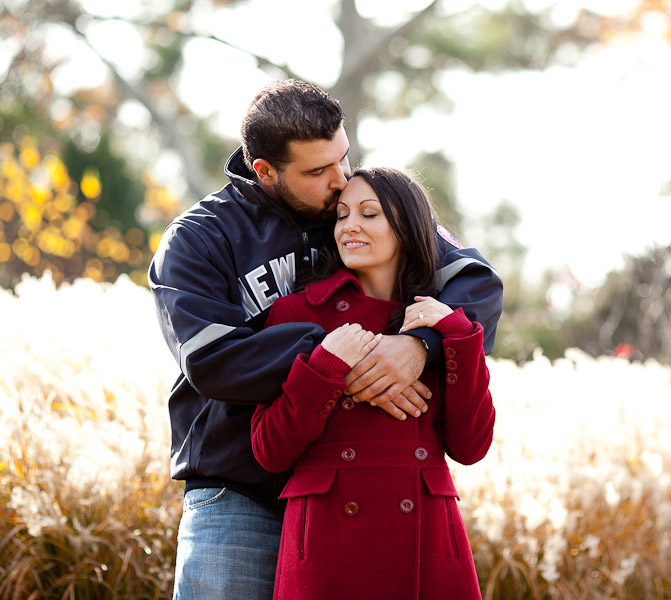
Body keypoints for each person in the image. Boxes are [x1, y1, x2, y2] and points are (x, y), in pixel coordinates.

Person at [148, 80, 502, 600]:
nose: (340, 181)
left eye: (343, 157)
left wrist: (418, 346)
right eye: (318, 172)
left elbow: (477, 284)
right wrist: (339, 356)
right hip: (239, 494)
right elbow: (212, 358)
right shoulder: (199, 238)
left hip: (350, 496)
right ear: (264, 170)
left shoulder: (359, 207)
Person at [251, 166, 494, 600]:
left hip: (429, 543)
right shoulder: (298, 313)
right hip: (327, 546)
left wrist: (456, 336)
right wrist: (326, 366)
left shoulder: (435, 321)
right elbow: (270, 449)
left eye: (369, 214)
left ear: (407, 225)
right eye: (342, 215)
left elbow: (470, 446)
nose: (349, 227)